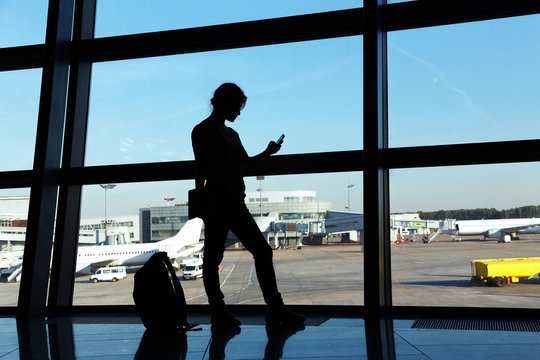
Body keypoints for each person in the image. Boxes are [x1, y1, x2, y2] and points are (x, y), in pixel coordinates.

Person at [191, 83, 304, 328]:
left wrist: (267, 152)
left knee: (218, 258)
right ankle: (268, 309)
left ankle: (222, 312)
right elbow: (204, 168)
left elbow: (241, 165)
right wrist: (203, 201)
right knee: (235, 255)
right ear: (225, 103)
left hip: (231, 201)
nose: (240, 112)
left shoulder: (224, 133)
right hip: (220, 201)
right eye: (238, 106)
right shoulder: (206, 131)